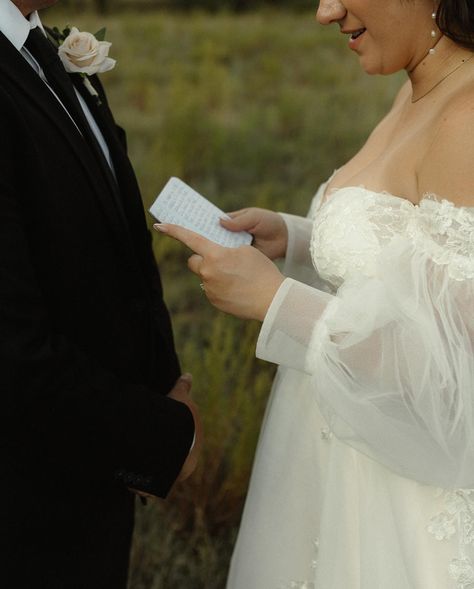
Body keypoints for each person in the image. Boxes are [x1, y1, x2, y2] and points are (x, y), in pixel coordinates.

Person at [155, 0, 474, 586]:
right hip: (324, 456)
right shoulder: (419, 83)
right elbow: (407, 246)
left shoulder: (469, 115)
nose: (325, 12)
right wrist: (295, 237)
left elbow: (450, 364)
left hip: (396, 493)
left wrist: (279, 304)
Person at [0, 1, 202, 587]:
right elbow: (12, 355)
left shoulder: (39, 49)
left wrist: (163, 378)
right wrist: (165, 435)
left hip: (80, 495)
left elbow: (101, 252)